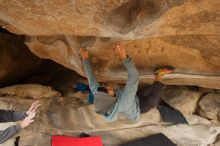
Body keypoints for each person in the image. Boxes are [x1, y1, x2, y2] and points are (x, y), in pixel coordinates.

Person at [80, 43, 174, 122]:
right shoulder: (124, 102)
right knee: (152, 100)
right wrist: (124, 57)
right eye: (108, 90)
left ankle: (151, 87)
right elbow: (134, 77)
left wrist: (85, 59)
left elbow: (91, 80)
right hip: (138, 107)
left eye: (106, 88)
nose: (109, 87)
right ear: (110, 99)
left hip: (132, 96)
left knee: (148, 89)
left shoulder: (100, 95)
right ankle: (159, 74)